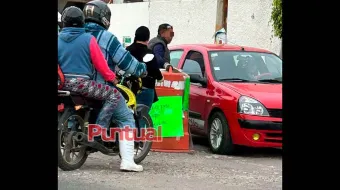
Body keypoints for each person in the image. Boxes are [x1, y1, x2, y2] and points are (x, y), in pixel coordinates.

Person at [82, 0, 147, 172]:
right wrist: (141, 69)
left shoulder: (76, 35)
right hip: (99, 88)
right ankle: (127, 161)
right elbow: (125, 61)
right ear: (104, 18)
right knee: (126, 117)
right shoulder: (106, 38)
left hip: (74, 86)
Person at [58, 6, 120, 150]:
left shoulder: (58, 39)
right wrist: (112, 78)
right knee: (113, 95)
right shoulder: (89, 39)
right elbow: (101, 65)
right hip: (82, 85)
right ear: (82, 22)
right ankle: (98, 133)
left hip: (61, 85)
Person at [126, 26, 163, 108]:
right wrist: (160, 78)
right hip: (145, 88)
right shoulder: (149, 53)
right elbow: (155, 70)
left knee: (128, 115)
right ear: (148, 38)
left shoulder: (127, 50)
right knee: (142, 115)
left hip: (128, 88)